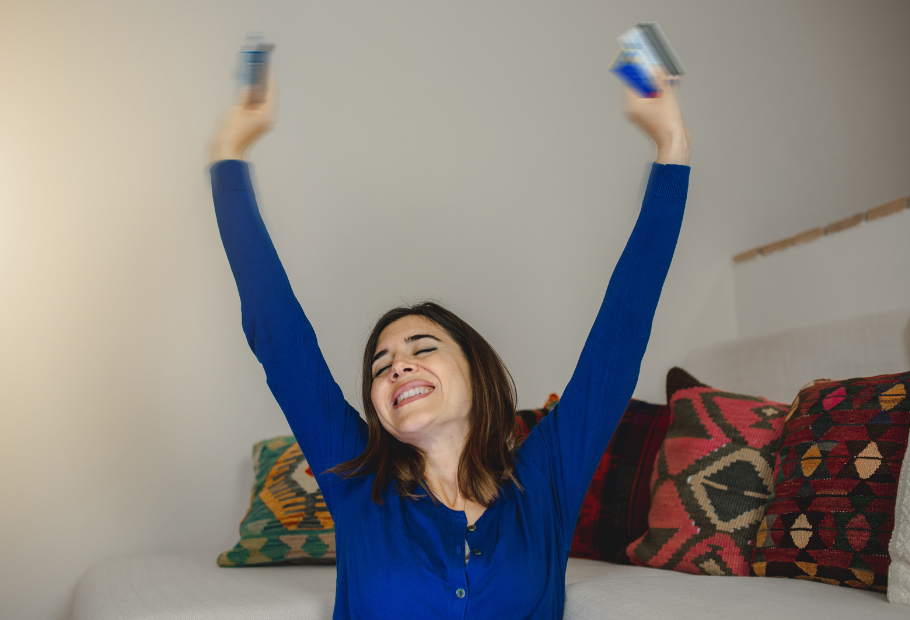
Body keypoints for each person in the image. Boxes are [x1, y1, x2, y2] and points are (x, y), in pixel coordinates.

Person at [208, 66, 690, 620]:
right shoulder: (360, 485)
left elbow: (620, 334)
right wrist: (229, 157)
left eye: (422, 347)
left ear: (474, 370)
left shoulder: (545, 481)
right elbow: (278, 331)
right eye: (380, 365)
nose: (397, 367)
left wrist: (671, 147)